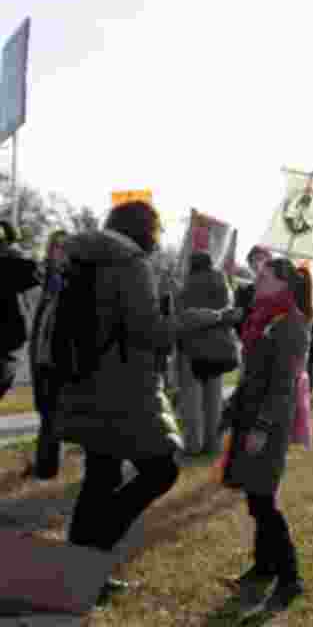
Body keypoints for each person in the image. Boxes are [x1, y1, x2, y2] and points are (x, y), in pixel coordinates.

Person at [52, 200, 239, 602]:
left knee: (99, 479)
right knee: (161, 471)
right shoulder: (131, 264)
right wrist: (208, 317)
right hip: (123, 388)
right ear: (145, 229)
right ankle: (92, 557)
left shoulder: (84, 256)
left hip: (85, 381)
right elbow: (151, 334)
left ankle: (80, 572)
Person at [220, 256, 313, 618]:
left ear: (283, 284)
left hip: (268, 424)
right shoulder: (265, 318)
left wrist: (261, 427)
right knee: (256, 495)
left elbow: (282, 387)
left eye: (265, 276)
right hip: (251, 417)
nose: (257, 280)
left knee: (263, 501)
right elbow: (254, 376)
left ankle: (290, 578)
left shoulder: (290, 324)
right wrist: (233, 410)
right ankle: (263, 569)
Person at [177, 251, 231, 456]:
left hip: (192, 347)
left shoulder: (188, 284)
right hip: (218, 348)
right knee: (214, 400)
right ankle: (213, 444)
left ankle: (193, 444)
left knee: (192, 400)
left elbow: (181, 315)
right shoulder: (222, 282)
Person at [25, 229, 68, 479]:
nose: (58, 251)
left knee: (53, 414)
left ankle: (46, 468)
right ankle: (46, 465)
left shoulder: (69, 278)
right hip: (41, 355)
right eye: (55, 246)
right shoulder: (44, 277)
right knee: (46, 412)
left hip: (56, 358)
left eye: (63, 247)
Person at [0, 220, 40, 398]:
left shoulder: (17, 266)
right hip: (10, 340)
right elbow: (35, 301)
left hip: (10, 340)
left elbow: (35, 300)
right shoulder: (18, 266)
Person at [233, 245, 273, 335]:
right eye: (253, 260)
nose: (257, 263)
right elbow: (238, 315)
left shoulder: (273, 291)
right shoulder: (243, 290)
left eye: (261, 259)